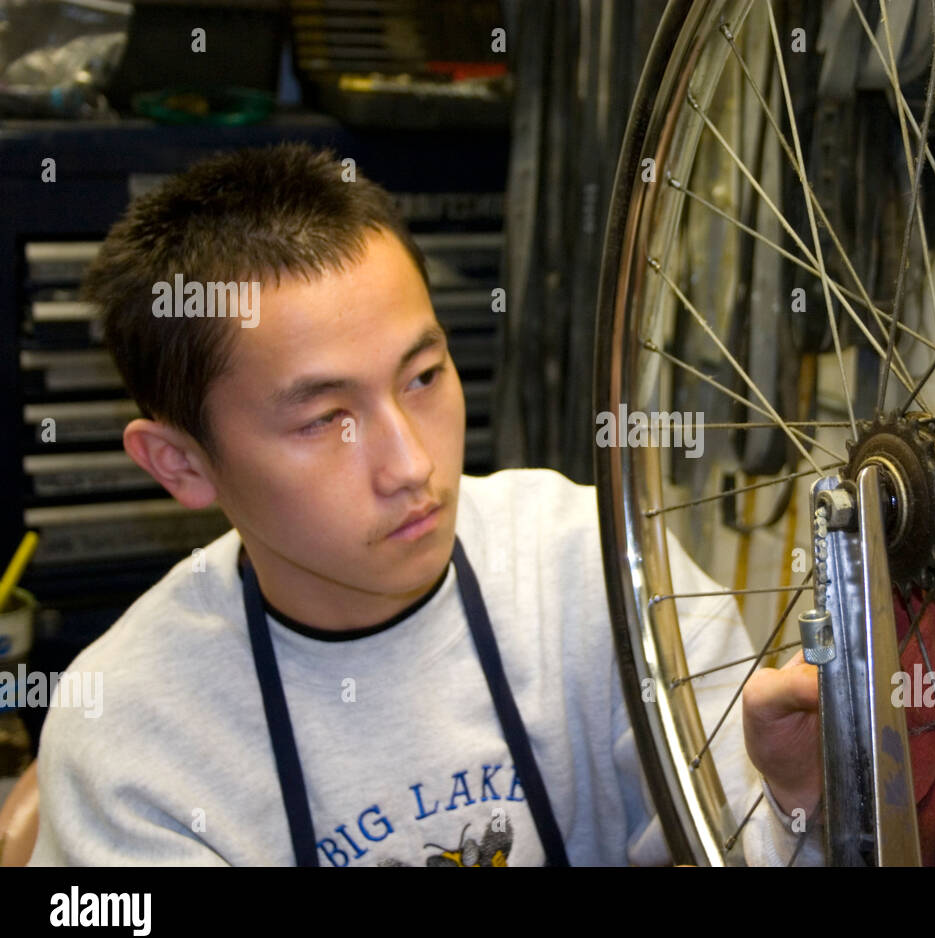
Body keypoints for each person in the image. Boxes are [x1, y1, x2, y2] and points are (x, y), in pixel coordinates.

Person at [27, 143, 824, 867]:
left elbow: (750, 844)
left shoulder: (598, 570)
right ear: (183, 463)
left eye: (424, 377)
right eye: (325, 420)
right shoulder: (131, 741)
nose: (413, 465)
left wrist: (795, 800)